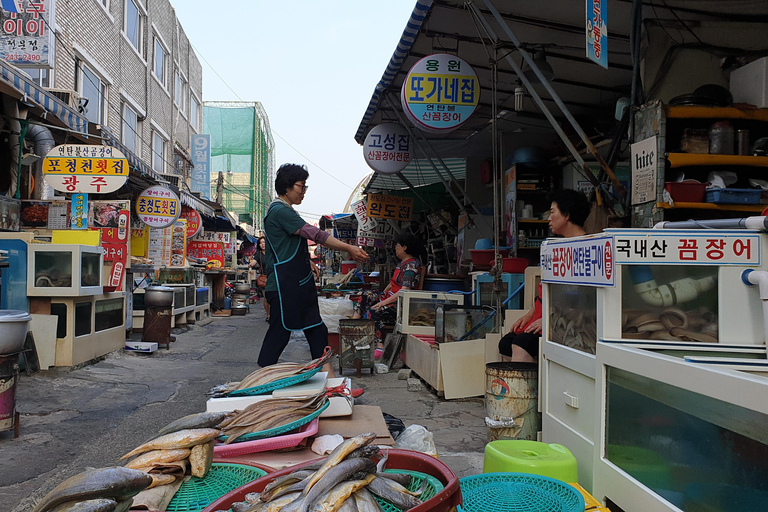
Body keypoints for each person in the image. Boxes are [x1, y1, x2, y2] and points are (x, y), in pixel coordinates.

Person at [259, 163, 369, 377]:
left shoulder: (285, 210)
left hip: (295, 283)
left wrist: (306, 262)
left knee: (316, 329)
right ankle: (260, 379)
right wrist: (349, 247)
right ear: (287, 187)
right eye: (301, 186)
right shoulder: (280, 210)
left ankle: (331, 382)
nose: (304, 191)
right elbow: (314, 234)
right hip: (284, 286)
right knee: (280, 332)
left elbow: (286, 246)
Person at [499, 189, 591, 362]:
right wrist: (529, 314)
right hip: (545, 318)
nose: (549, 218)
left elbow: (585, 300)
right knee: (506, 344)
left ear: (567, 215)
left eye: (552, 212)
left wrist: (551, 321)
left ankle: (532, 389)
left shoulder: (587, 248)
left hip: (570, 324)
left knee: (522, 344)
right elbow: (545, 291)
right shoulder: (556, 248)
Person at [352, 233, 427, 342]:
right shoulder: (401, 264)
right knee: (365, 295)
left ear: (405, 247)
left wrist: (383, 302)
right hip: (391, 297)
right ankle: (353, 327)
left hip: (401, 303)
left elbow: (404, 291)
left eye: (397, 246)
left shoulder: (411, 266)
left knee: (374, 311)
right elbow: (391, 284)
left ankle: (379, 345)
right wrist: (379, 296)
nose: (396, 248)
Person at [249, 237, 270, 321]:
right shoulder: (259, 255)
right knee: (266, 298)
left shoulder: (272, 253)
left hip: (273, 277)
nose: (263, 244)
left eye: (264, 242)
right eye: (261, 243)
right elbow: (252, 263)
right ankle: (268, 315)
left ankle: (274, 314)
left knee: (273, 297)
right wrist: (251, 264)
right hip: (264, 278)